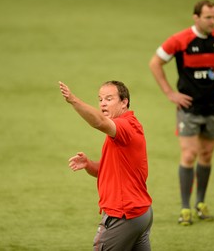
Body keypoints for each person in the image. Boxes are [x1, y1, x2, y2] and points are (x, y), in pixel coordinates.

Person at [149, 0, 214, 226]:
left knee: (207, 155)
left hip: (213, 108)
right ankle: (184, 208)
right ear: (196, 17)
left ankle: (200, 204)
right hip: (188, 109)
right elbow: (155, 63)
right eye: (208, 17)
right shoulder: (180, 41)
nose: (213, 21)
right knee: (189, 154)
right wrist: (170, 93)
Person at [59, 80, 153, 250]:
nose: (103, 103)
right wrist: (89, 164)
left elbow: (99, 122)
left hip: (123, 215)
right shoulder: (125, 128)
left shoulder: (125, 127)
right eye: (100, 99)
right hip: (141, 214)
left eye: (109, 99)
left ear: (124, 102)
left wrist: (73, 99)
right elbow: (109, 170)